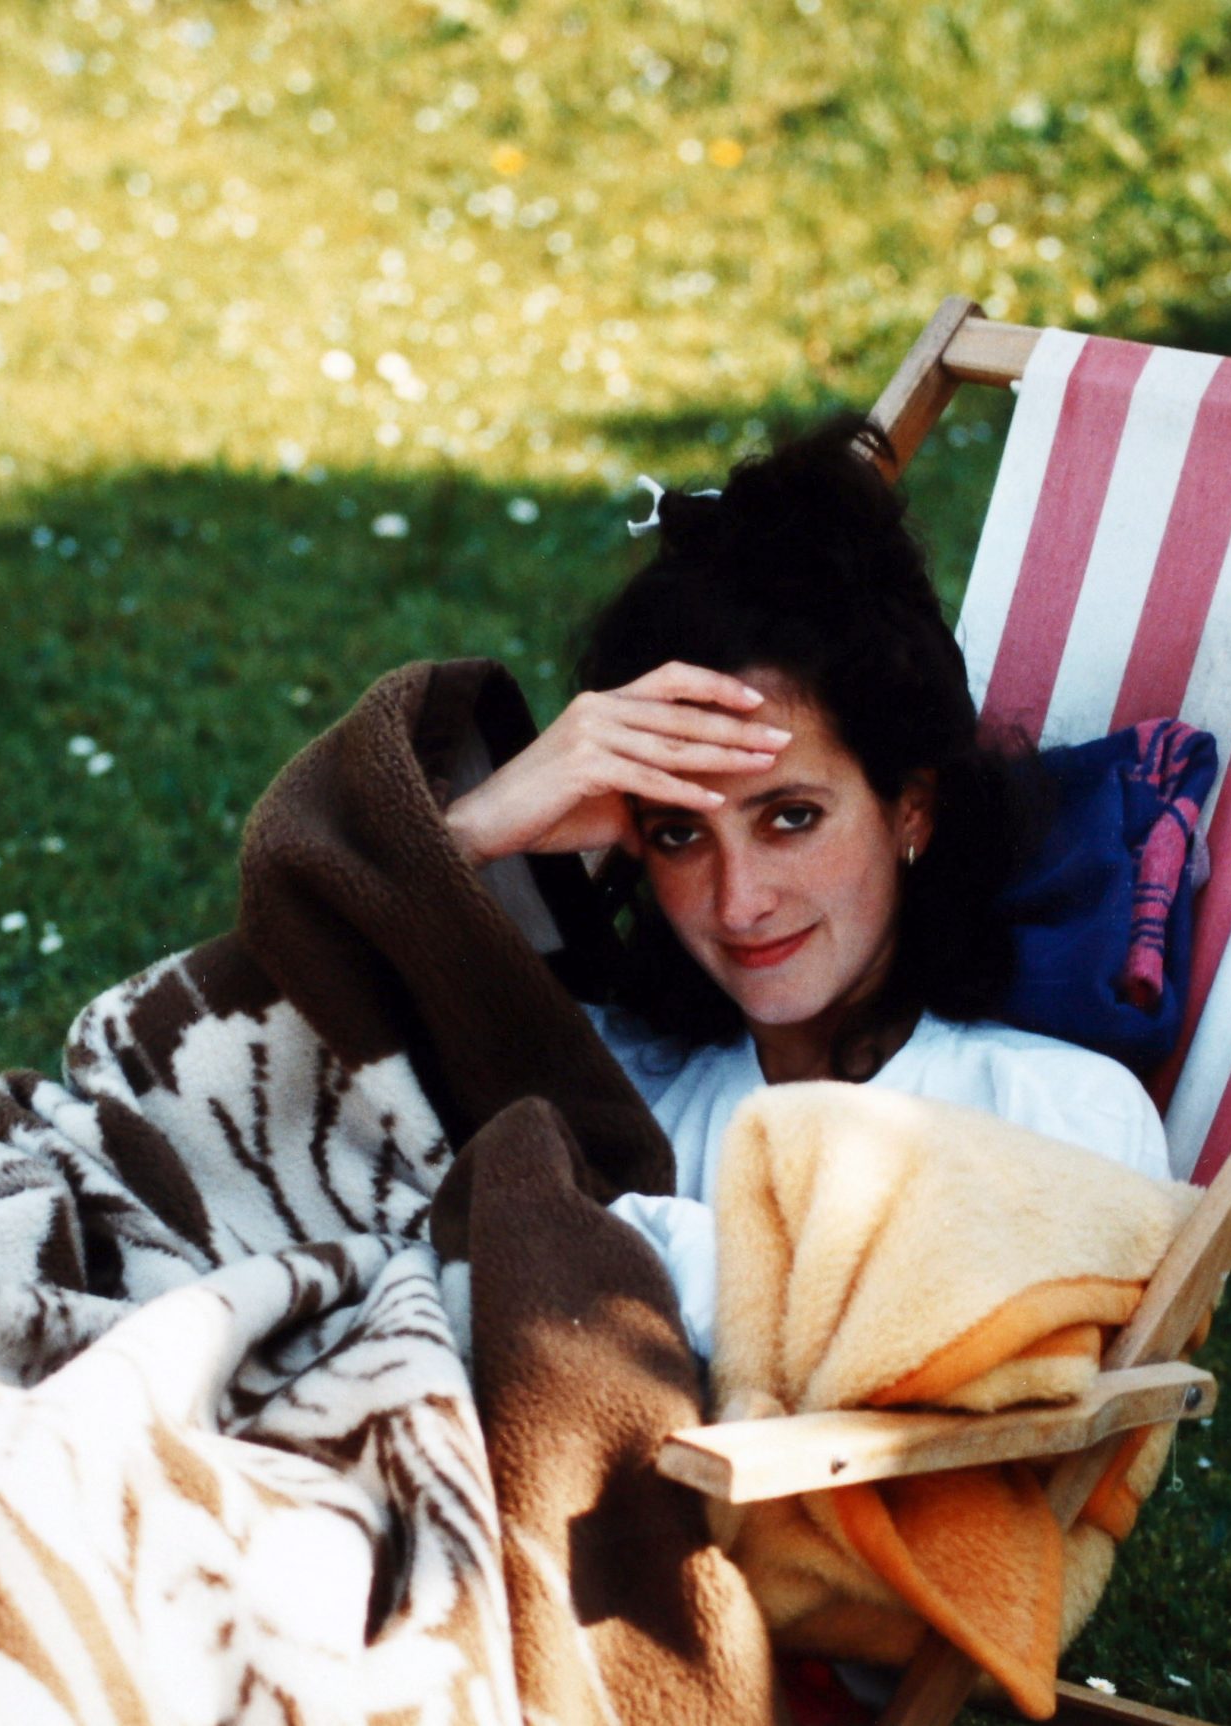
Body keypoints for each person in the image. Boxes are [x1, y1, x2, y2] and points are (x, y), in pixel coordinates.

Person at [442, 415, 1170, 1344]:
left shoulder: (1049, 1114)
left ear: (912, 810)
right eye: (678, 835)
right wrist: (478, 831)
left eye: (791, 818)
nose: (738, 901)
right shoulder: (616, 1086)